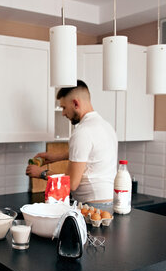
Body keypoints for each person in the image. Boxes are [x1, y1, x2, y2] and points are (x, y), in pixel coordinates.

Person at [26, 80, 118, 209]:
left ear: (75, 103)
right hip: (109, 202)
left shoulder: (82, 132)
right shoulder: (106, 126)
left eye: (64, 107)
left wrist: (41, 173)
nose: (63, 113)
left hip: (91, 206)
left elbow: (71, 183)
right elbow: (90, 153)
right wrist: (57, 157)